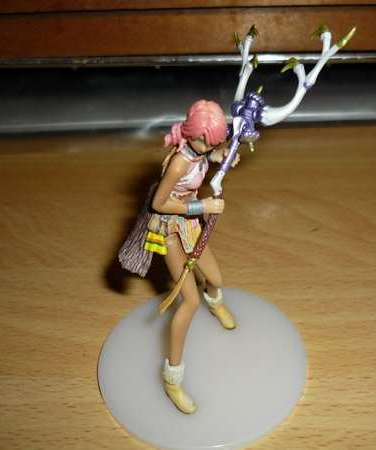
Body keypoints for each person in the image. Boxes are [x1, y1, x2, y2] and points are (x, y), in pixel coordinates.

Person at [118, 99, 239, 414]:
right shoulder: (178, 164)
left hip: (189, 226)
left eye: (214, 142)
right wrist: (203, 206)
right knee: (189, 302)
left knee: (215, 278)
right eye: (207, 142)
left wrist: (221, 155)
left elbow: (205, 157)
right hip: (170, 231)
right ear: (193, 135)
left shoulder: (198, 151)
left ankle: (216, 302)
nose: (210, 147)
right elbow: (158, 203)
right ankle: (173, 377)